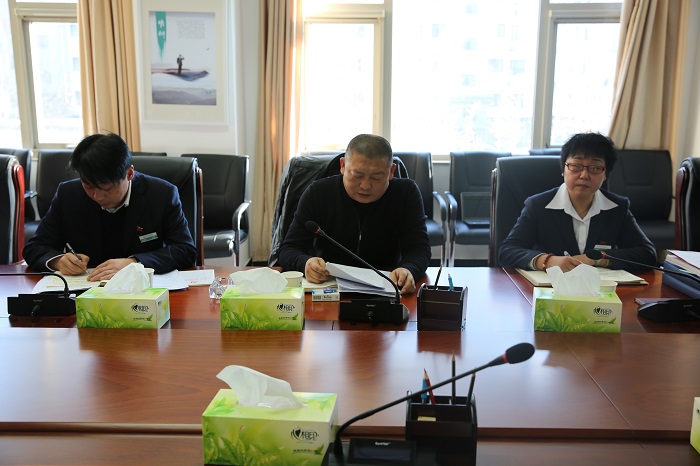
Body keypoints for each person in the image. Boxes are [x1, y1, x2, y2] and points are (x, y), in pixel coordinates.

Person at [23, 133, 197, 281]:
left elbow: (185, 250)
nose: (97, 196)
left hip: (141, 291)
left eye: (106, 188)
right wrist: (59, 261)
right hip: (86, 291)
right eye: (89, 186)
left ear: (129, 174)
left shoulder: (161, 194)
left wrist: (134, 263)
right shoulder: (68, 194)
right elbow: (35, 247)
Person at [278, 134, 431, 294]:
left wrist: (408, 269)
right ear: (343, 166)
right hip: (329, 288)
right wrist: (305, 263)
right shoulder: (318, 193)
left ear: (391, 171)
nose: (365, 185)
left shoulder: (406, 194)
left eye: (376, 177)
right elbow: (288, 249)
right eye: (357, 175)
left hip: (387, 287)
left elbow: (419, 249)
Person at [498, 132, 657, 272]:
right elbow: (507, 251)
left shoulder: (617, 208)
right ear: (563, 169)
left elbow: (647, 253)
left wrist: (597, 259)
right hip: (549, 289)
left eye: (595, 168)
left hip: (599, 290)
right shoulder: (538, 205)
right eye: (576, 166)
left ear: (605, 174)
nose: (584, 175)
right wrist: (547, 261)